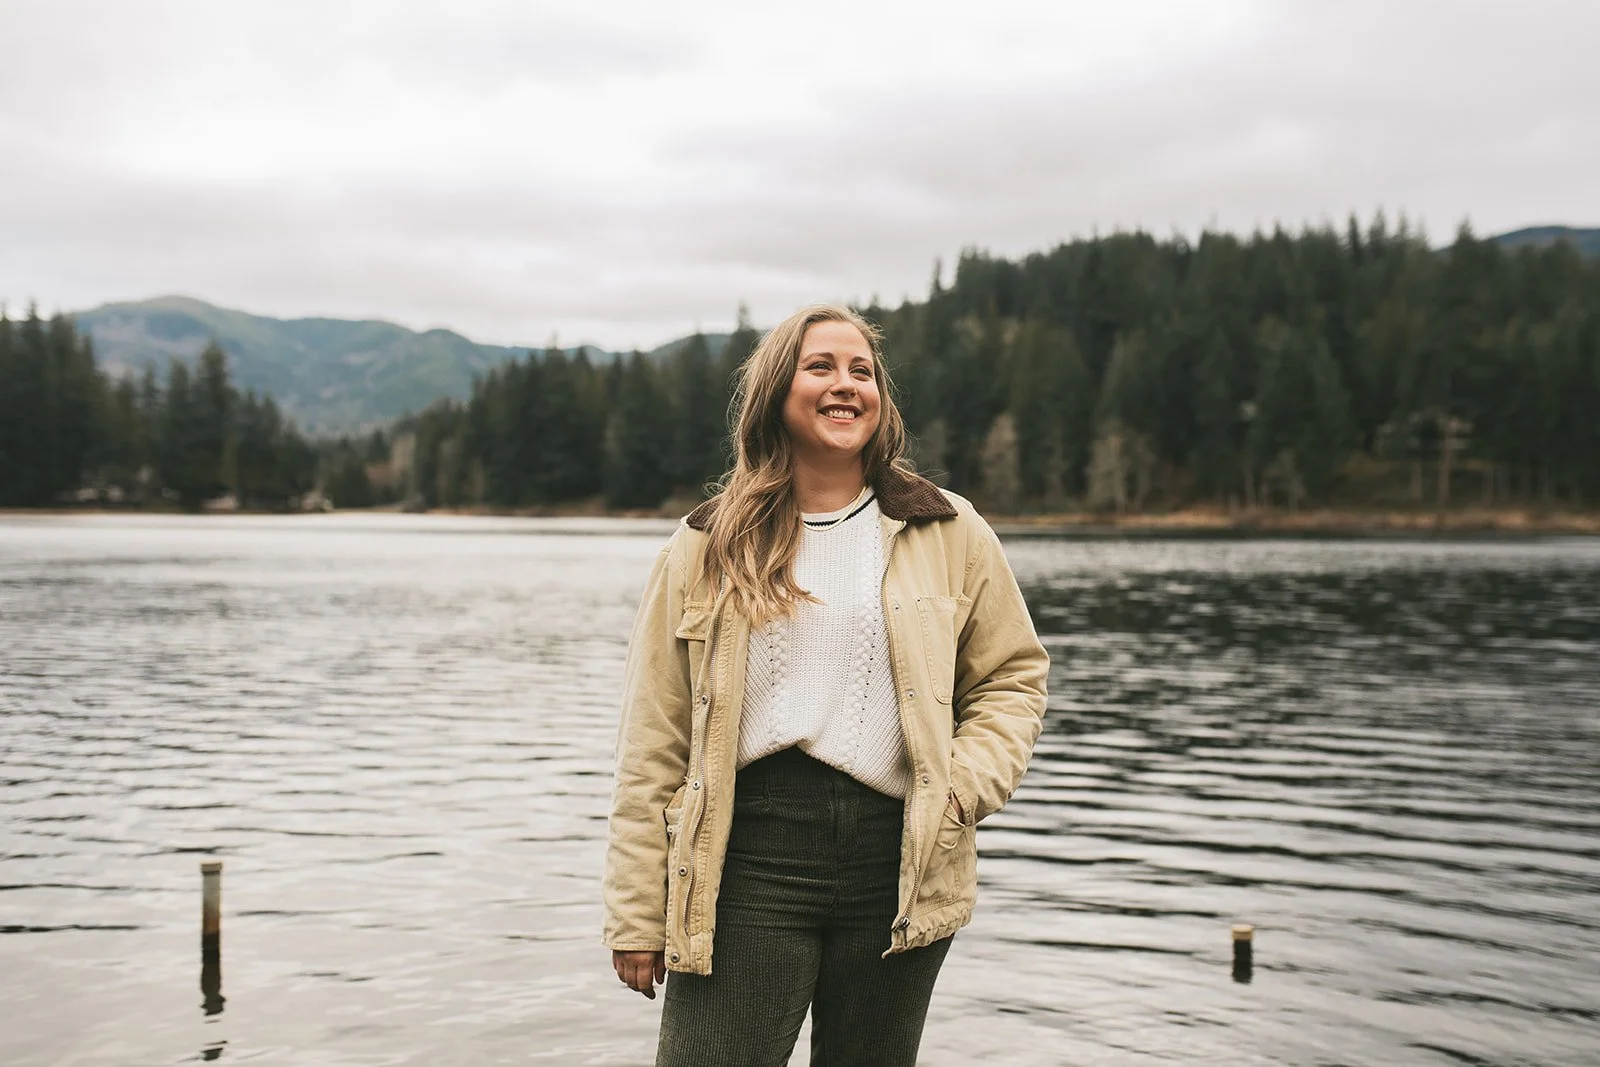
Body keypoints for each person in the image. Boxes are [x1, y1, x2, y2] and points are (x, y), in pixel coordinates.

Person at [602, 303, 1049, 1066]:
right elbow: (654, 736)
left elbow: (1013, 677)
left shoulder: (950, 530)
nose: (846, 385)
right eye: (821, 367)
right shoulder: (705, 544)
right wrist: (637, 911)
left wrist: (960, 788)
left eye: (862, 371)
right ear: (778, 391)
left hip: (899, 856)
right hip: (747, 860)